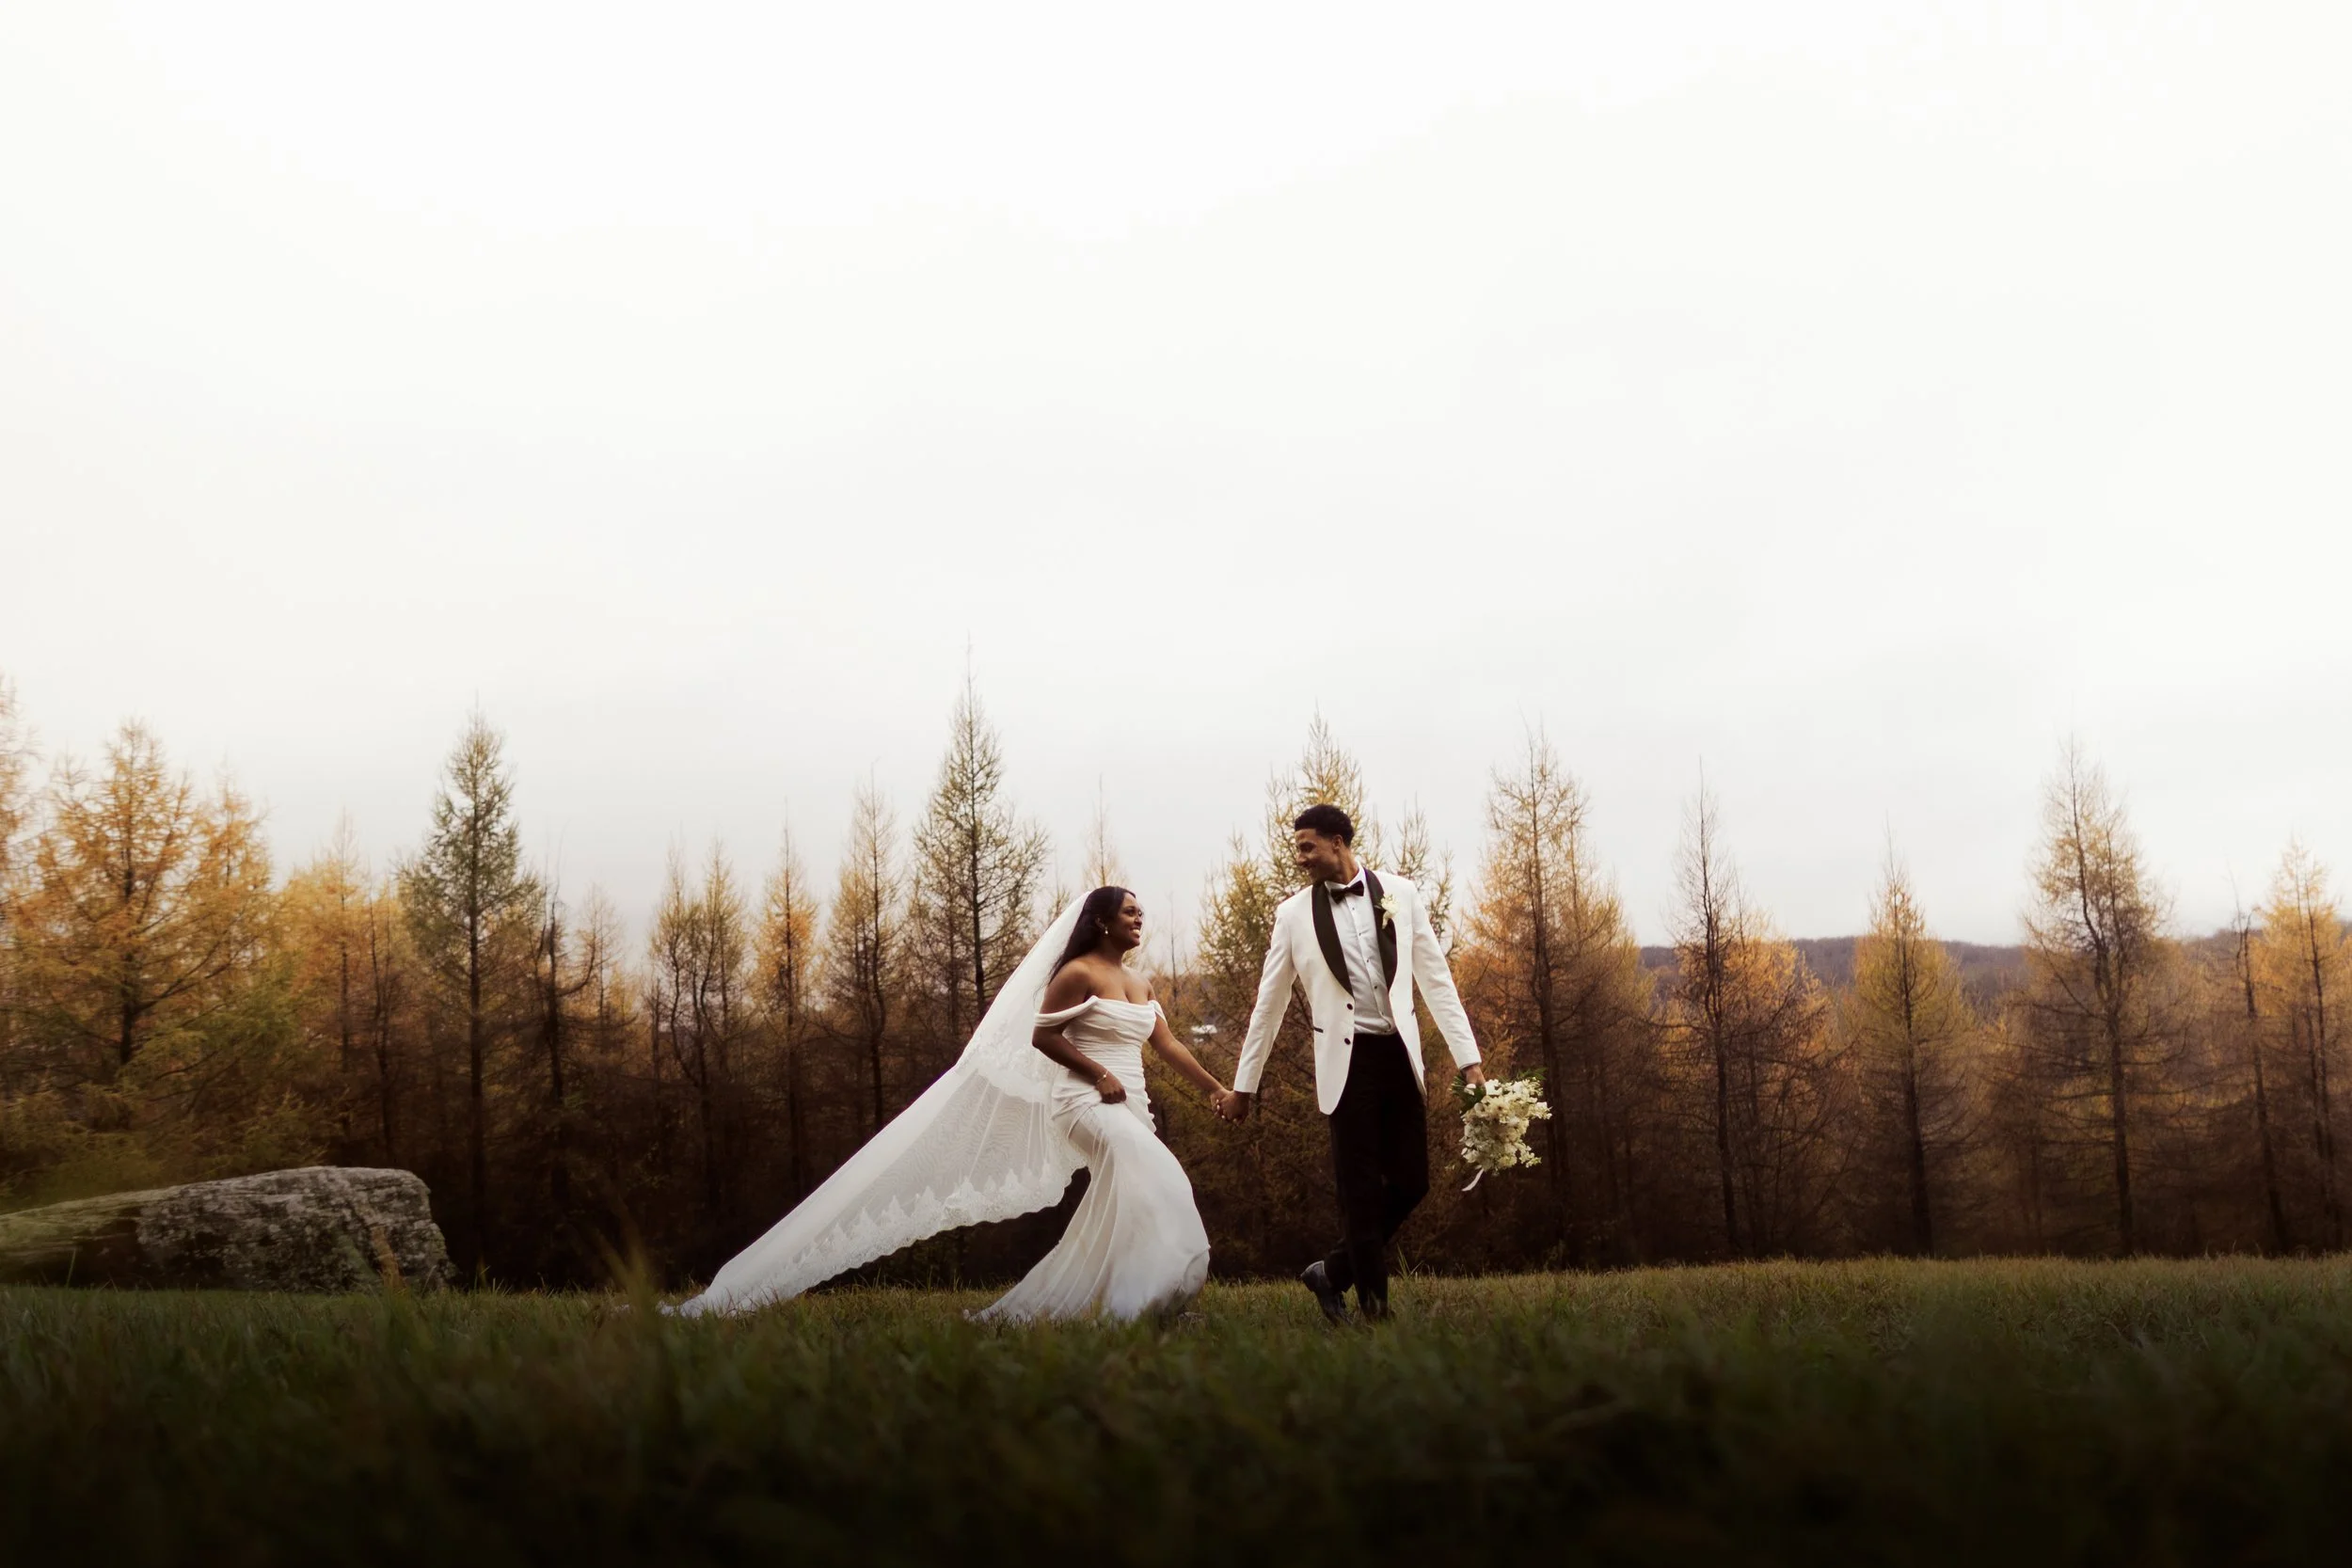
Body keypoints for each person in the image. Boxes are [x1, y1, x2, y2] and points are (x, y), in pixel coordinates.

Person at [675, 887, 1227, 1322]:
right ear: (1102, 921)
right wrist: (1099, 1072)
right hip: (1083, 1099)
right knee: (1166, 1180)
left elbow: (1168, 1045)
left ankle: (1125, 1301)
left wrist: (1215, 1091)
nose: (1139, 919)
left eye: (1141, 912)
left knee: (1132, 1198)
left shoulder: (1141, 982)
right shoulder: (1078, 973)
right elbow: (1042, 1037)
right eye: (1130, 912)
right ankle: (1147, 1297)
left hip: (1131, 1105)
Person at [1226, 804, 1484, 1323]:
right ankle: (1375, 1310)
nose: (1300, 858)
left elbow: (1436, 980)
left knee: (1413, 1183)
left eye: (1307, 847)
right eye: (1297, 848)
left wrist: (1469, 1061)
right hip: (1346, 1066)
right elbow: (1268, 1005)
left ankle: (1333, 1272)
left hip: (1398, 1056)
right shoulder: (1292, 916)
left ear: (1339, 842)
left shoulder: (1402, 894)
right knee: (1359, 1193)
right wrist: (1244, 1087)